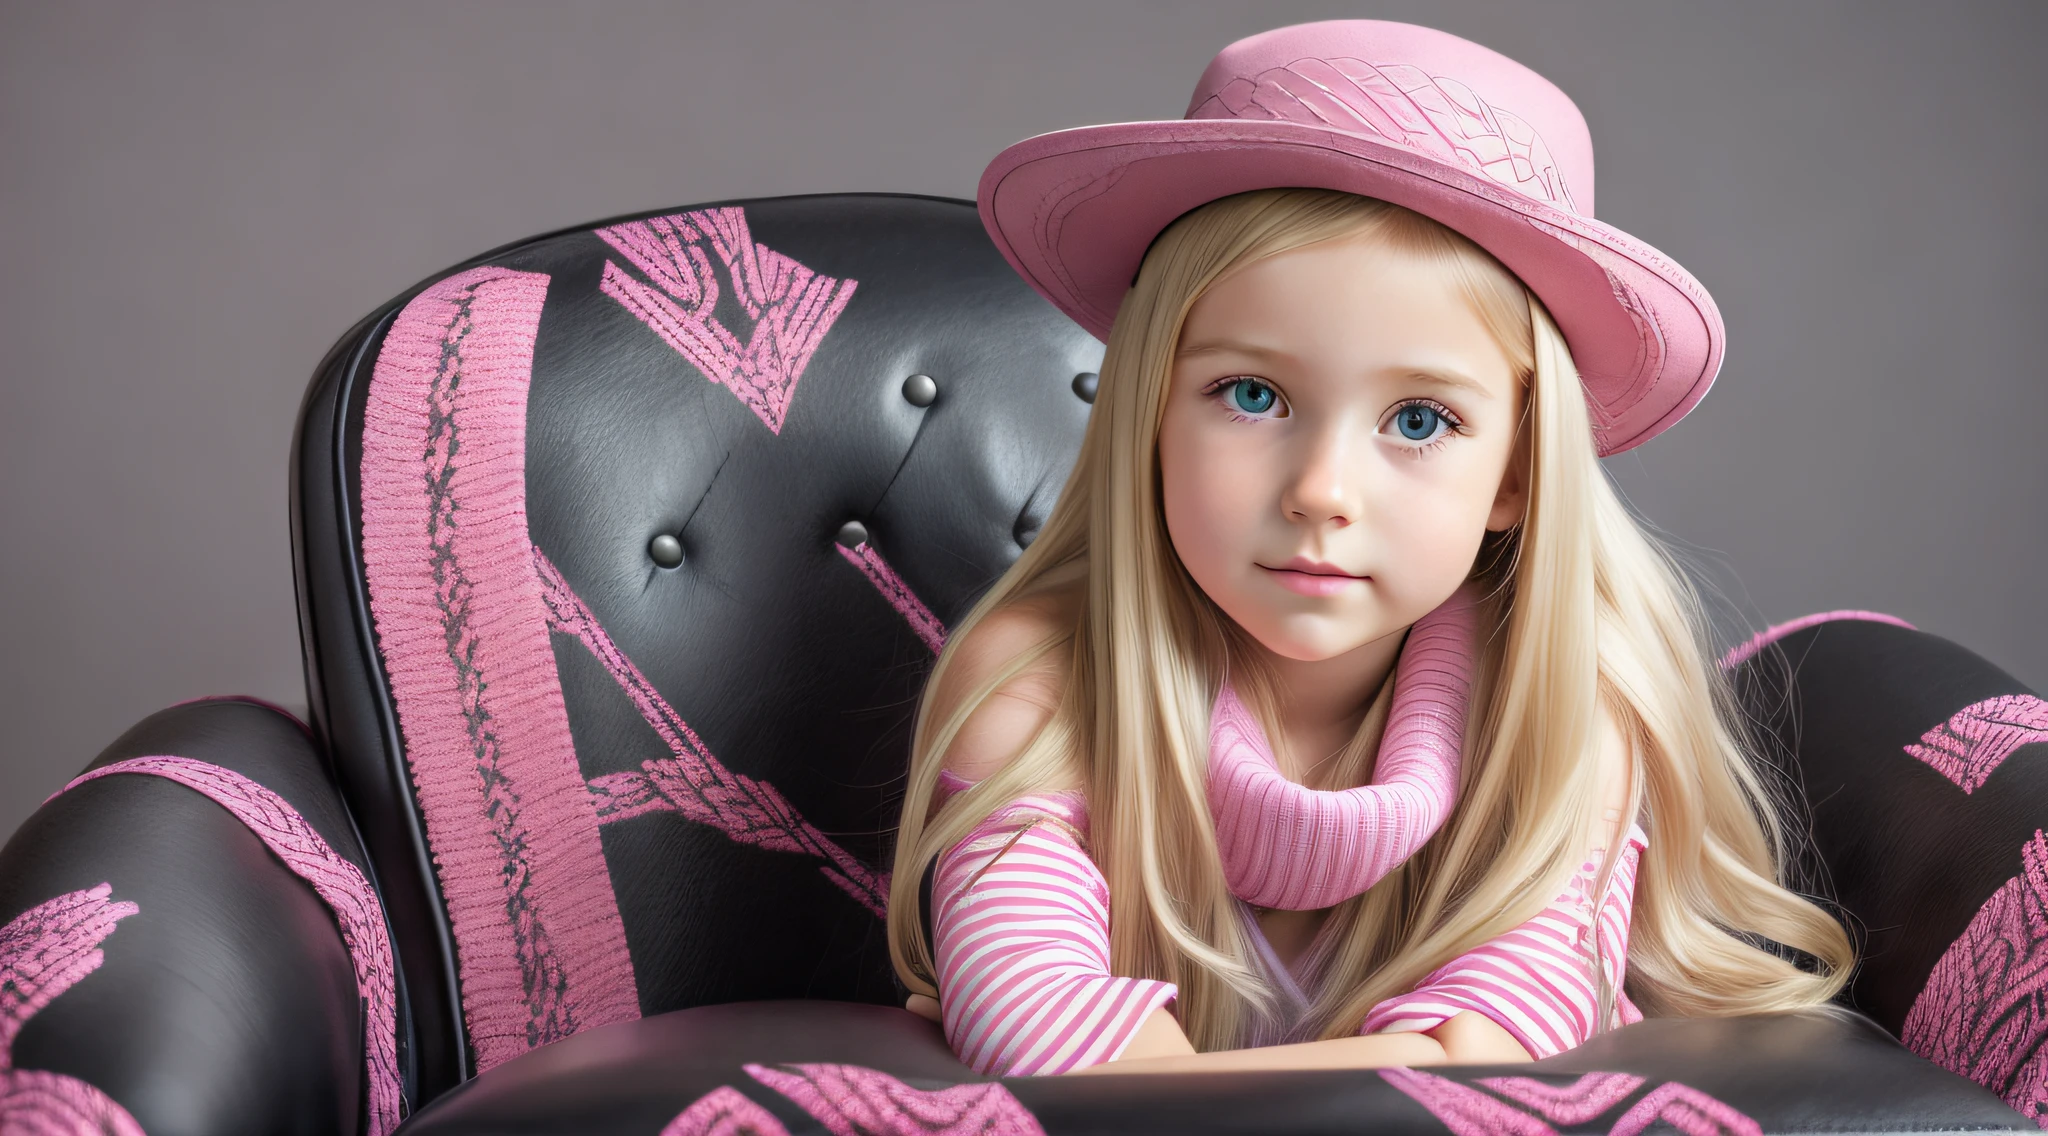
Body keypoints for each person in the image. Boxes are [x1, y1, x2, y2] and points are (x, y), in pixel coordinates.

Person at [884, 19, 1853, 1077]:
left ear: (1518, 473)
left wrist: (1168, 1077)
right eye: (1249, 395)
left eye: (1420, 420)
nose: (1319, 493)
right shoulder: (1038, 677)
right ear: (1148, 411)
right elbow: (1045, 1041)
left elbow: (1488, 1067)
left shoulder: (1566, 701)